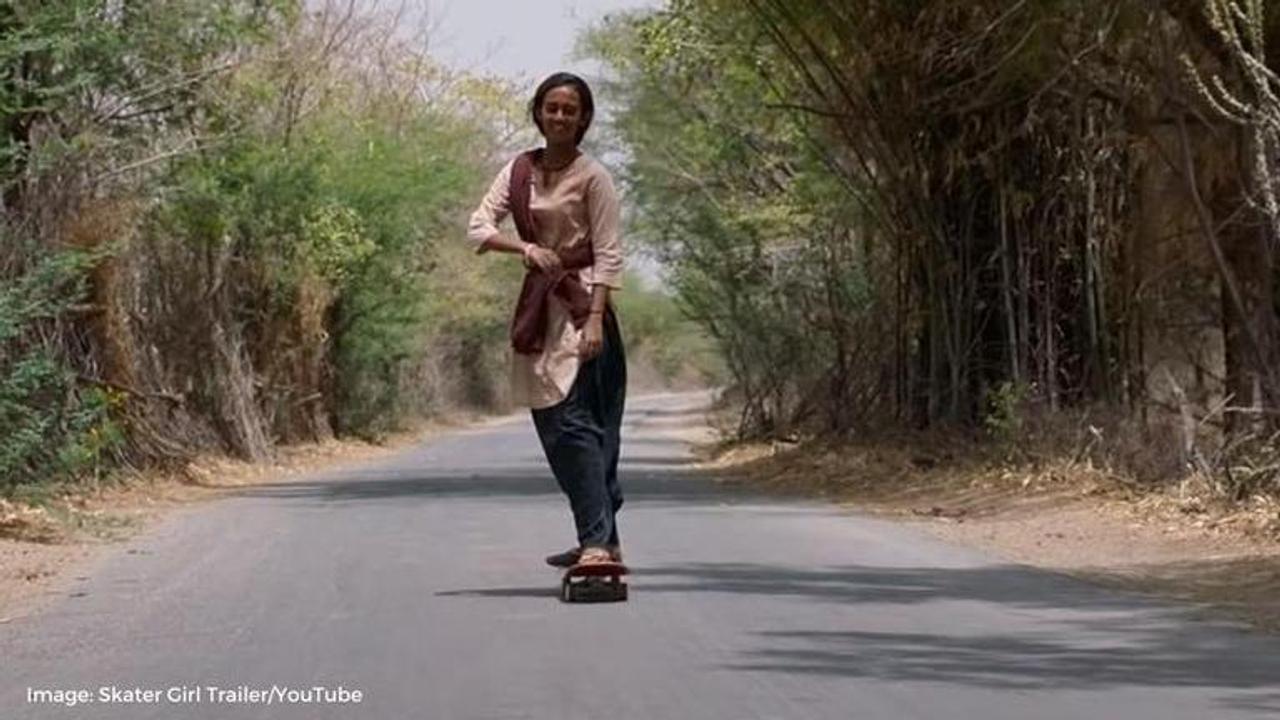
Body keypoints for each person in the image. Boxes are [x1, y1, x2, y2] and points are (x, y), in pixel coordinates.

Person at [466, 72, 627, 568]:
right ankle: (601, 538)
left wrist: (596, 320)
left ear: (583, 119)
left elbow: (609, 253)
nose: (559, 117)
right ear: (538, 113)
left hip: (583, 313)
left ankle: (597, 544)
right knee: (554, 427)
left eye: (569, 110)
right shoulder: (518, 171)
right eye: (551, 108)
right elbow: (478, 226)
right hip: (540, 313)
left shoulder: (593, 176)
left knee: (581, 427)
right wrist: (526, 247)